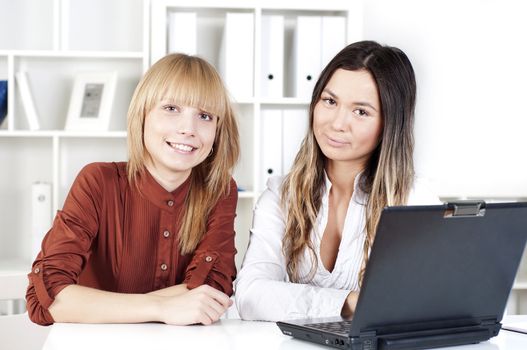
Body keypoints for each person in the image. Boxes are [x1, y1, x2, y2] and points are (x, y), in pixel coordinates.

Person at [26, 53, 240, 326]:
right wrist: (161, 309)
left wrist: (90, 303)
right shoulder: (97, 181)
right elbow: (47, 299)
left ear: (218, 132)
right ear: (142, 115)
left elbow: (211, 291)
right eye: (171, 108)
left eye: (205, 116)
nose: (188, 129)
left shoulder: (219, 190)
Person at [235, 40, 440, 321]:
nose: (337, 123)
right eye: (330, 101)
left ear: (389, 125)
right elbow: (251, 295)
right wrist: (351, 303)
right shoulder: (281, 195)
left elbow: (427, 303)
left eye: (361, 111)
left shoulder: (413, 199)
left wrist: (302, 302)